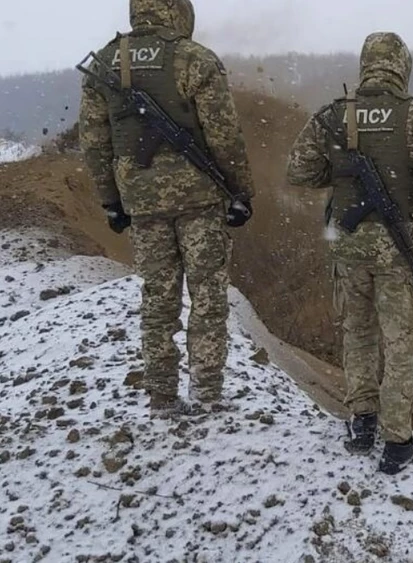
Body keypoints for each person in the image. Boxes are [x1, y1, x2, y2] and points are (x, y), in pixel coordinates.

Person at [286, 32, 413, 475]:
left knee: (358, 334)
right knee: (400, 344)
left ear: (365, 65)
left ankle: (362, 422)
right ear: (402, 67)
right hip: (396, 255)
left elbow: (299, 170)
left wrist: (340, 166)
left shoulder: (335, 116)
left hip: (348, 251)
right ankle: (397, 441)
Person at [79, 0, 255, 418]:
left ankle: (161, 396)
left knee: (158, 300)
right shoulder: (194, 58)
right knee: (208, 298)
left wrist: (111, 201)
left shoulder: (107, 63)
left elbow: (95, 143)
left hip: (142, 204)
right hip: (199, 201)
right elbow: (224, 135)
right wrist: (241, 191)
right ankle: (208, 393)